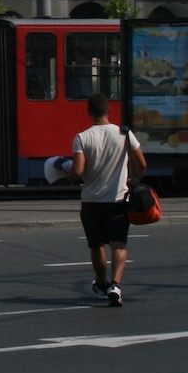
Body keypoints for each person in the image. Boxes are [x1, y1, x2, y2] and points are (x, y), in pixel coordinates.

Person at [52, 92, 146, 308]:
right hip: (118, 200)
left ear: (89, 112)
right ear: (109, 110)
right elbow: (142, 163)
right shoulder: (124, 134)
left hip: (91, 201)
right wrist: (134, 180)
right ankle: (116, 285)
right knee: (119, 245)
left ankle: (102, 284)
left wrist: (64, 168)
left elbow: (77, 170)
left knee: (96, 246)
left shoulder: (82, 137)